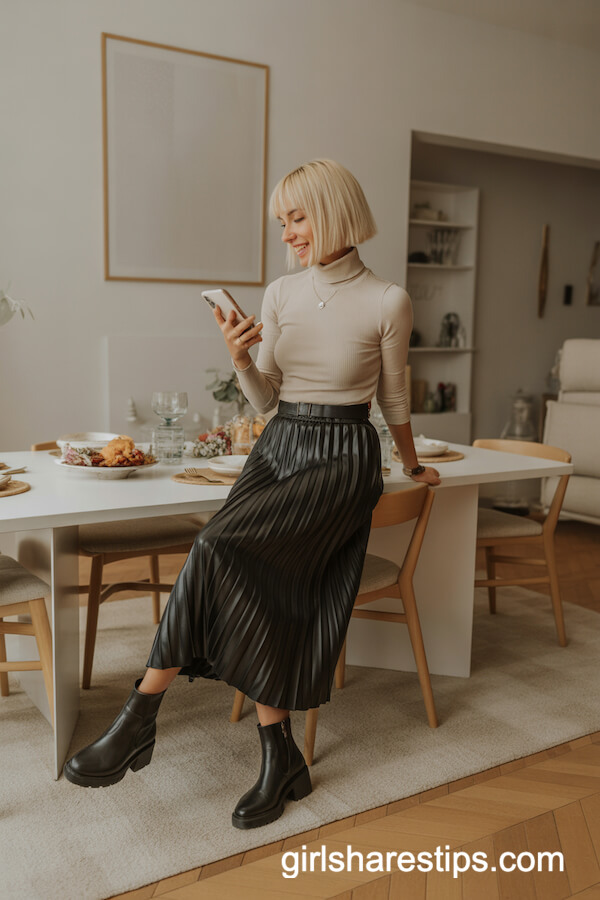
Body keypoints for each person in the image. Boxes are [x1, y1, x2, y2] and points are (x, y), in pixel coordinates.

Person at [63, 159, 441, 829]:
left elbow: (393, 396)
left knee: (214, 545)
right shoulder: (279, 294)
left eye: (298, 218)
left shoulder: (388, 300)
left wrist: (411, 465)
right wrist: (240, 360)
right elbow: (268, 400)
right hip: (280, 447)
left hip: (342, 455)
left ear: (333, 212)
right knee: (249, 574)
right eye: (282, 222)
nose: (289, 234)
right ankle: (280, 756)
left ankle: (141, 714)